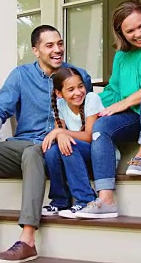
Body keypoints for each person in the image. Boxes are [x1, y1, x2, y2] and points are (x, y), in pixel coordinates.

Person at [0, 25, 92, 262]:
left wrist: (65, 132)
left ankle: (27, 240)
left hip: (53, 148)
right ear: (35, 50)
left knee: (33, 152)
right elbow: (0, 109)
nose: (57, 50)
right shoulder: (21, 75)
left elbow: (86, 116)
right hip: (21, 143)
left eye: (60, 44)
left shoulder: (77, 75)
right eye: (49, 45)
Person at [74, 0, 141, 219]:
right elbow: (113, 90)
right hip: (136, 115)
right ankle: (105, 199)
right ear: (121, 33)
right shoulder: (122, 56)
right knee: (102, 126)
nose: (138, 34)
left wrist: (124, 103)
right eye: (130, 31)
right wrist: (84, 102)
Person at [41, 67, 102, 218]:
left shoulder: (91, 99)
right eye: (71, 89)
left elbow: (89, 136)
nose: (78, 92)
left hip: (100, 155)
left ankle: (86, 199)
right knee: (52, 149)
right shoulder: (60, 105)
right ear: (59, 94)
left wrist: (60, 132)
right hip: (77, 157)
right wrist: (59, 134)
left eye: (80, 86)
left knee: (69, 144)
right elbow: (58, 133)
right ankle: (60, 200)